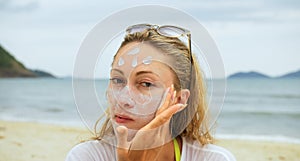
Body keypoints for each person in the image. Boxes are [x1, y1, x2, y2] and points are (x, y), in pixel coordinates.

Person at [66, 24, 236, 161]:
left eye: (145, 83)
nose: (123, 99)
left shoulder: (213, 158)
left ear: (178, 99)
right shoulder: (87, 156)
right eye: (117, 80)